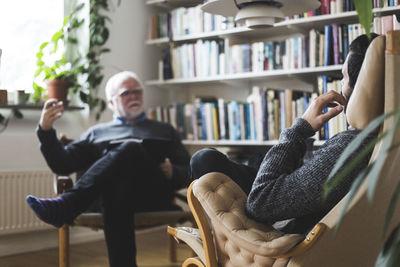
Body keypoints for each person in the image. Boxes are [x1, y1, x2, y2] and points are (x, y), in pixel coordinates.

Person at [190, 33, 379, 234]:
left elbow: (260, 202)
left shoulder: (352, 147)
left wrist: (299, 129)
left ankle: (222, 241)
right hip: (293, 199)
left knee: (204, 160)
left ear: (360, 89)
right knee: (216, 158)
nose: (340, 85)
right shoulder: (379, 135)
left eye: (344, 77)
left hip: (280, 224)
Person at [26, 71, 191, 267]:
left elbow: (189, 170)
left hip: (151, 196)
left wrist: (174, 171)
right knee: (116, 190)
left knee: (130, 148)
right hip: (112, 200)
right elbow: (62, 164)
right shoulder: (97, 133)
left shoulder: (164, 130)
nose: (133, 96)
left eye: (137, 92)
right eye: (125, 93)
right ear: (111, 103)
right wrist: (45, 131)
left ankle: (67, 205)